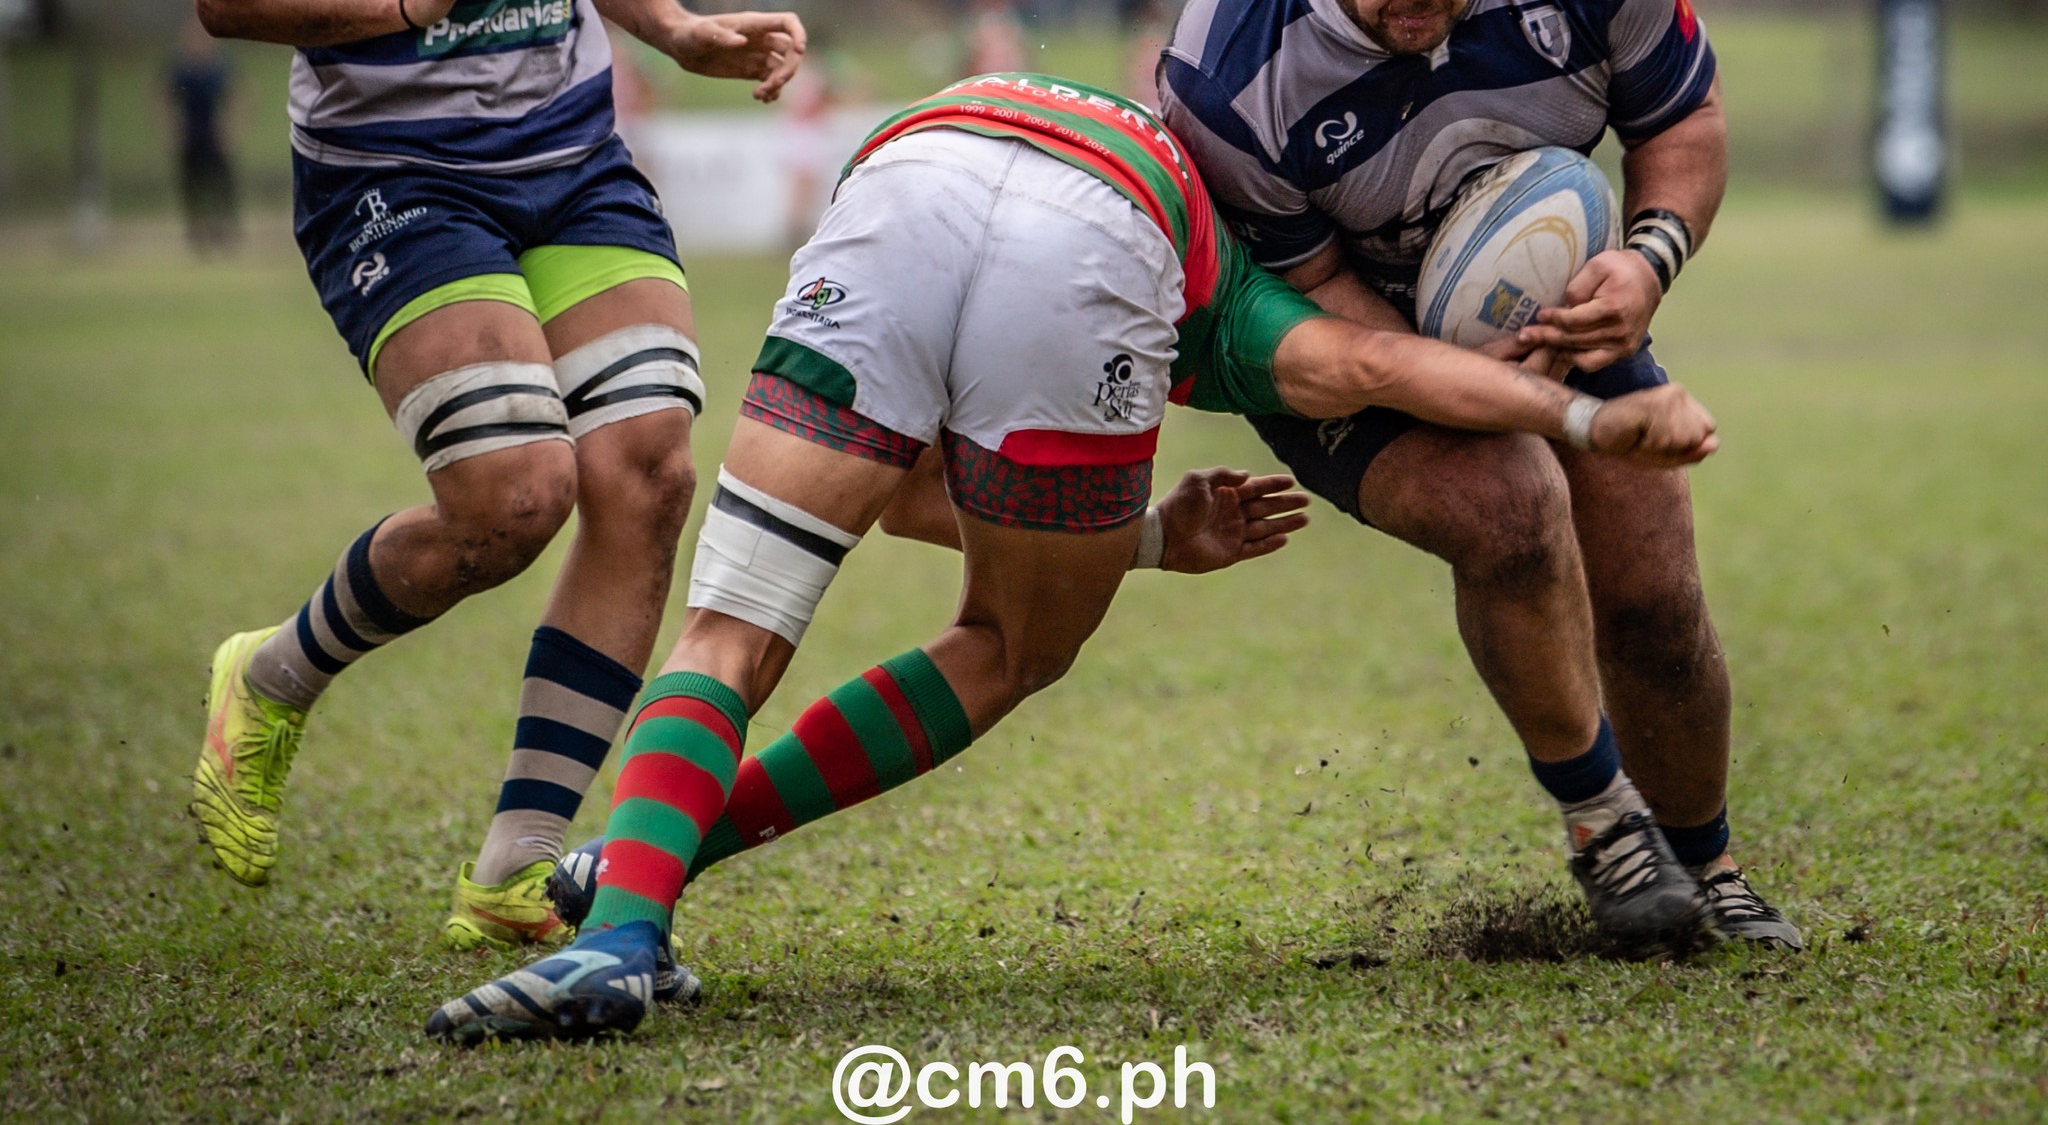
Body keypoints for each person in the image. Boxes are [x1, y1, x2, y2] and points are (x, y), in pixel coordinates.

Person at [423, 72, 1720, 1042]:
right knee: (1009, 645)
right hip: (1096, 235)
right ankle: (658, 869)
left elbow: (892, 494)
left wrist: (1148, 534)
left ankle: (622, 924)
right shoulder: (1232, 275)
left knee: (731, 630)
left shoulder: (1041, 107)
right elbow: (1375, 364)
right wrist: (1593, 416)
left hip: (906, 169)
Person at [185, 0, 805, 956]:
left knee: (649, 466)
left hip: (568, 148)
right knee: (514, 494)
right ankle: (269, 680)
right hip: (398, 172)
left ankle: (516, 866)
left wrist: (669, 28)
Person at [1157, 0, 1800, 949]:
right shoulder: (1227, 62)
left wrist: (1647, 257)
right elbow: (1331, 303)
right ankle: (1606, 832)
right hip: (1344, 338)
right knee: (1507, 511)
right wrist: (1494, 398)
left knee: (1654, 596)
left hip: (1554, 311)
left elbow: (1683, 124)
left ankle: (1706, 867)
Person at [166, 19, 239, 252]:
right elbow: (162, 96)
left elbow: (239, 94)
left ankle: (223, 231)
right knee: (191, 187)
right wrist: (172, 128)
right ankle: (197, 234)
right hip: (191, 136)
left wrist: (229, 128)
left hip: (212, 136)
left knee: (221, 185)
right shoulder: (181, 69)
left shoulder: (216, 69)